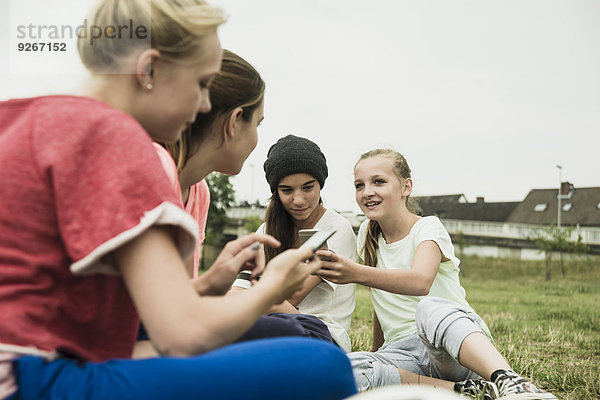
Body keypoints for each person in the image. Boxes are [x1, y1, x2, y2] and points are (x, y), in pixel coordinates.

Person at [0, 1, 358, 399]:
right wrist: (272, 286)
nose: (206, 104)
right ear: (149, 69)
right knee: (322, 366)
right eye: (202, 83)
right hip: (33, 380)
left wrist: (207, 286)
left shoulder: (19, 118)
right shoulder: (119, 140)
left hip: (39, 357)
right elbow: (182, 336)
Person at [316, 149, 557, 399]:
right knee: (345, 366)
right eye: (359, 185)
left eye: (379, 181)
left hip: (453, 347)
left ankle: (512, 382)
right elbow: (382, 298)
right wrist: (377, 353)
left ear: (406, 187)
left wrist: (356, 272)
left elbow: (421, 282)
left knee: (428, 308)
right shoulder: (367, 232)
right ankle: (462, 391)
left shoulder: (428, 227)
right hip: (406, 356)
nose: (367, 192)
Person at [231, 134, 357, 352]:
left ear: (320, 184)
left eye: (308, 187)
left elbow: (287, 297)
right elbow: (236, 293)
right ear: (276, 192)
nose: (298, 200)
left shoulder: (336, 228)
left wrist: (255, 296)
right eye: (287, 190)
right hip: (271, 328)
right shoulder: (267, 229)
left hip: (323, 338)